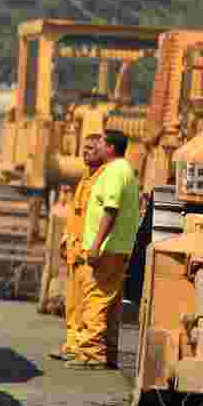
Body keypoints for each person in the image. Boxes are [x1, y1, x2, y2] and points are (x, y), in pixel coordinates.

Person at [67, 129, 140, 370]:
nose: (95, 148)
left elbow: (111, 208)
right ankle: (108, 351)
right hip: (117, 247)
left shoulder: (115, 172)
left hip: (108, 248)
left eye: (99, 144)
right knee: (111, 301)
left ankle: (91, 354)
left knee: (96, 298)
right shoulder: (120, 170)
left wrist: (96, 244)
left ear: (110, 148)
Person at [48, 119, 105, 362]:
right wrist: (65, 238)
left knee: (86, 305)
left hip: (88, 252)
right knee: (72, 305)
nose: (85, 153)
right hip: (74, 250)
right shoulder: (84, 180)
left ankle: (86, 350)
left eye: (91, 149)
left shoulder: (102, 180)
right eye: (84, 148)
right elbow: (76, 213)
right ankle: (72, 345)